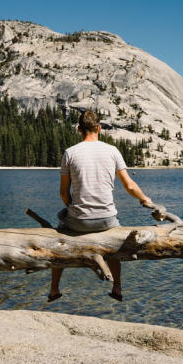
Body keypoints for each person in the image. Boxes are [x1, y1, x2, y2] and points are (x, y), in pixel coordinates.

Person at [48, 110, 152, 302]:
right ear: (99, 128)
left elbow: (63, 193)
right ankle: (117, 288)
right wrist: (145, 199)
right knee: (112, 242)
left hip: (78, 221)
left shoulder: (70, 152)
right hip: (106, 220)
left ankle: (54, 290)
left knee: (59, 238)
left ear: (79, 130)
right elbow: (129, 185)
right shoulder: (112, 151)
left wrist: (75, 207)